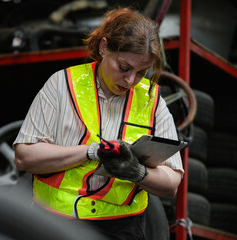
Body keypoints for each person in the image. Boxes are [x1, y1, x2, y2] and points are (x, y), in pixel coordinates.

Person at [13, 7, 183, 240]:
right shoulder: (62, 85)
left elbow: (172, 182)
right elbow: (24, 157)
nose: (130, 80)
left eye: (142, 72)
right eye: (124, 68)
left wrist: (138, 172)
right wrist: (91, 152)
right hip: (54, 223)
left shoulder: (153, 101)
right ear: (104, 47)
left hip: (123, 229)